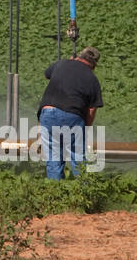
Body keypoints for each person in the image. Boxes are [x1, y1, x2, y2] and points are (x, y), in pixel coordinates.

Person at [36, 46, 103, 180]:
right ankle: (82, 194)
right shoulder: (92, 79)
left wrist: (69, 62)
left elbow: (46, 74)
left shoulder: (61, 64)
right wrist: (86, 128)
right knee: (78, 157)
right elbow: (92, 109)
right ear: (94, 65)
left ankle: (55, 194)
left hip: (47, 112)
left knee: (53, 158)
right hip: (73, 116)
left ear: (79, 56)